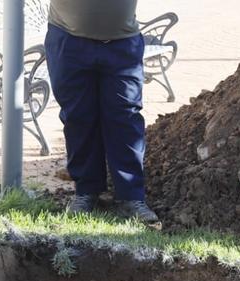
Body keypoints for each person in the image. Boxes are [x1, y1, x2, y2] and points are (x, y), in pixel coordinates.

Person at [45, 0, 160, 226]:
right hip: (68, 39)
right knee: (78, 117)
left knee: (125, 118)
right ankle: (86, 192)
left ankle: (131, 197)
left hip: (122, 42)